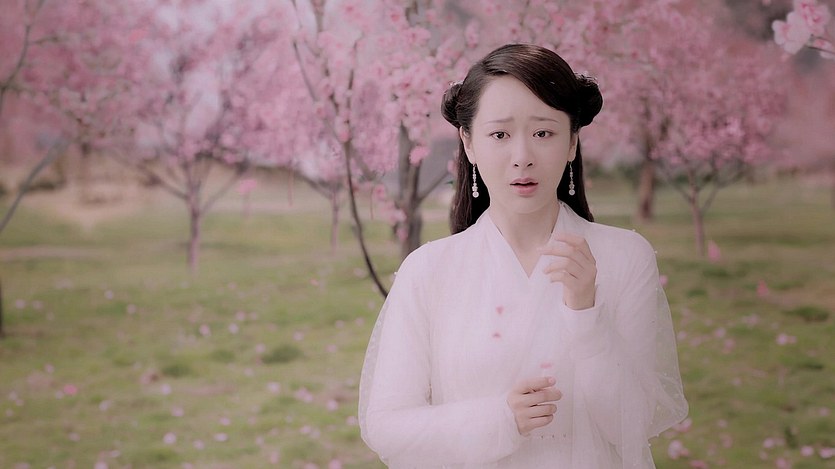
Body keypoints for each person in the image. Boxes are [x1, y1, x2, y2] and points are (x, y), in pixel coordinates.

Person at [358, 43, 688, 469]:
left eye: (543, 133)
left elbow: (635, 423)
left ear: (572, 142)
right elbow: (387, 427)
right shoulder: (429, 269)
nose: (522, 158)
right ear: (468, 144)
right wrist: (500, 420)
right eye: (500, 135)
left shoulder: (624, 256)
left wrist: (586, 316)